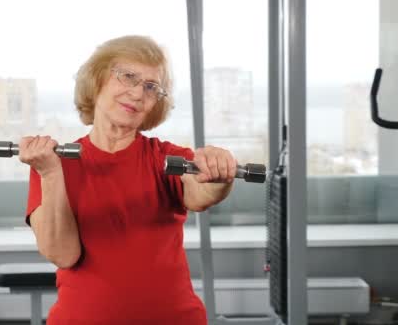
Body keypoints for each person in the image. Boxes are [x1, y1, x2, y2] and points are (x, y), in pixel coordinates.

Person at [19, 35, 237, 324]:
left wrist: (219, 173)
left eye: (150, 87)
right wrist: (49, 173)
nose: (137, 94)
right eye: (128, 77)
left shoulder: (166, 158)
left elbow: (202, 194)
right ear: (96, 81)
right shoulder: (52, 165)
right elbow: (63, 255)